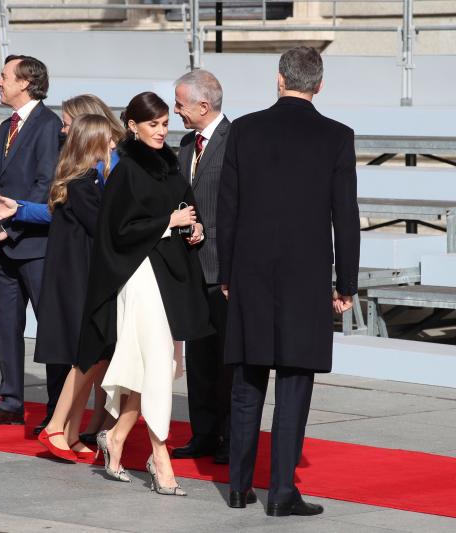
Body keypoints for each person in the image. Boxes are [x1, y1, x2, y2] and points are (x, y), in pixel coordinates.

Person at [218, 46, 359, 516]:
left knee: (247, 380)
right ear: (318, 85)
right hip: (306, 277)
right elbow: (346, 216)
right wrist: (347, 284)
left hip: (250, 273)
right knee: (295, 382)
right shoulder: (337, 136)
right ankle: (281, 492)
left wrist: (226, 273)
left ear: (279, 79)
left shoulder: (244, 130)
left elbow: (228, 207)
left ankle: (238, 486)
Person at [78, 92, 212, 495]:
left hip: (169, 276)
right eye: (152, 124)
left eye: (164, 123)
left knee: (155, 365)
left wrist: (195, 224)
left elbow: (184, 203)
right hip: (139, 277)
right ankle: (161, 457)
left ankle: (116, 437)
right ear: (132, 126)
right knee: (156, 364)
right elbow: (117, 232)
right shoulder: (127, 170)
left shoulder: (169, 163)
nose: (161, 131)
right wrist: (168, 221)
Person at [0, 93, 125, 440]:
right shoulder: (83, 163)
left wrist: (19, 213)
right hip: (81, 258)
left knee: (95, 348)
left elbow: (92, 216)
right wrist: (17, 211)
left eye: (66, 123)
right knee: (89, 347)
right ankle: (84, 425)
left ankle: (83, 424)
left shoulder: (113, 163)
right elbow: (63, 207)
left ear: (88, 124)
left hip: (92, 263)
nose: (61, 130)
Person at [0, 55, 65, 429]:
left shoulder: (49, 125)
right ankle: (10, 401)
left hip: (37, 246)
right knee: (6, 325)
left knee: (50, 330)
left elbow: (46, 187)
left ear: (25, 82)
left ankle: (58, 408)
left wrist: (4, 228)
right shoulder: (6, 126)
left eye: (5, 76)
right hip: (6, 247)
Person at [31, 114, 116, 462]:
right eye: (109, 138)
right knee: (88, 357)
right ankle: (55, 427)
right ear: (94, 141)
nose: (114, 144)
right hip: (77, 282)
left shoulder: (81, 180)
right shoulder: (83, 183)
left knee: (94, 358)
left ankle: (70, 430)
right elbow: (104, 229)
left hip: (77, 279)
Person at [171, 69, 233, 465]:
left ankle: (229, 436)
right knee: (198, 361)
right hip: (191, 268)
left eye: (180, 104)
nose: (176, 111)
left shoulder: (237, 141)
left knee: (226, 360)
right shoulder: (184, 144)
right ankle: (204, 434)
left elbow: (238, 207)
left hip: (223, 270)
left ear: (203, 106)